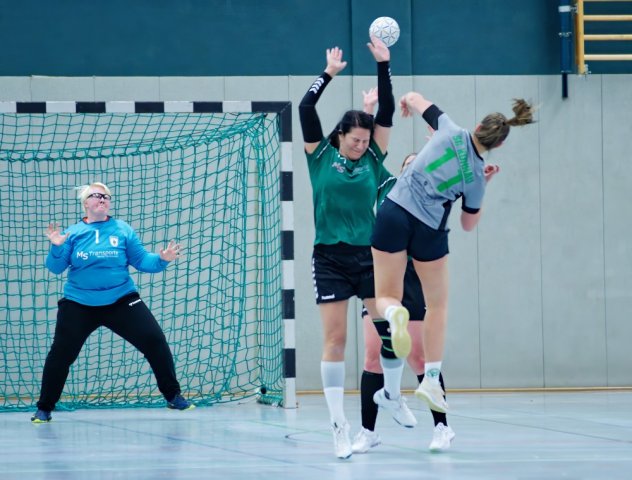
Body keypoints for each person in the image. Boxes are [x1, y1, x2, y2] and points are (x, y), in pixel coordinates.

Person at [371, 91, 535, 414]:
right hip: (429, 230)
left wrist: (406, 103)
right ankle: (431, 379)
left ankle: (394, 314)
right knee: (437, 305)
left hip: (395, 211)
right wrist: (483, 186)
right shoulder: (477, 175)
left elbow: (414, 98)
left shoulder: (447, 127)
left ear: (478, 126)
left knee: (386, 296)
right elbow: (467, 224)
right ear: (499, 145)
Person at [298, 38, 415, 459]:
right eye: (355, 140)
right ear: (341, 135)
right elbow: (305, 108)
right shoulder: (319, 155)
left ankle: (392, 394)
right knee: (335, 340)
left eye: (366, 140)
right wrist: (328, 73)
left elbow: (386, 113)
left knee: (389, 332)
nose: (361, 145)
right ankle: (338, 426)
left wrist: (384, 65)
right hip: (329, 257)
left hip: (369, 256)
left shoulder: (373, 159)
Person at [31, 182, 194, 423]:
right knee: (60, 355)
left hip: (121, 300)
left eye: (106, 196)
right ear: (85, 203)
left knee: (155, 340)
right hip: (79, 303)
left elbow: (143, 261)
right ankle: (44, 408)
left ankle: (173, 396)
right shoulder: (72, 233)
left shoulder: (123, 230)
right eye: (96, 195)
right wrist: (56, 247)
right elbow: (56, 268)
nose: (103, 199)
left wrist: (162, 259)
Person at [352, 147, 455, 454]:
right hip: (382, 276)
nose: (413, 169)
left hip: (412, 279)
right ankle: (368, 432)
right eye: (408, 165)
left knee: (420, 358)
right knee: (372, 356)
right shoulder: (388, 188)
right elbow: (370, 155)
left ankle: (442, 427)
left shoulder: (433, 195)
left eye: (418, 165)